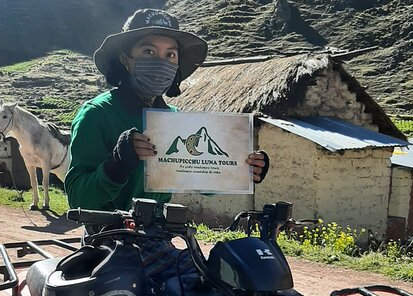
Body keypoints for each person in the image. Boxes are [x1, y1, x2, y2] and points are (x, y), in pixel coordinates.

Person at [65, 8, 269, 279]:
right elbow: (78, 198)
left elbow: (195, 174)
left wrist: (242, 170)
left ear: (176, 66)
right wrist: (117, 166)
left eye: (170, 55)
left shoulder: (172, 120)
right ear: (127, 60)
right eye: (149, 52)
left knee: (237, 277)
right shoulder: (97, 114)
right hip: (109, 244)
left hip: (158, 239)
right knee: (201, 286)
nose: (161, 61)